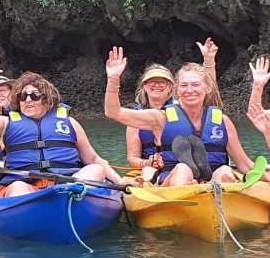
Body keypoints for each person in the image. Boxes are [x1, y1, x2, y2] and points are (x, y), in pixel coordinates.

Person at [0, 55, 132, 198]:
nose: (28, 100)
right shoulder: (5, 123)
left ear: (47, 99)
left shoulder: (69, 123)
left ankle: (66, 195)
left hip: (67, 182)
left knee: (95, 169)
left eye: (34, 96)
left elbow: (94, 159)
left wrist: (119, 182)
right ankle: (44, 204)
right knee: (18, 188)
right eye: (23, 96)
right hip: (25, 185)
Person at [104, 48, 257, 185]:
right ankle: (192, 187)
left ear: (208, 88)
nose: (190, 90)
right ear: (176, 90)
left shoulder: (222, 120)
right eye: (184, 85)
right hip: (173, 180)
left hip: (213, 179)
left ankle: (210, 187)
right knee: (183, 169)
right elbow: (114, 112)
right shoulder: (160, 118)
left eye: (195, 85)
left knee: (225, 171)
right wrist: (113, 79)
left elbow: (244, 164)